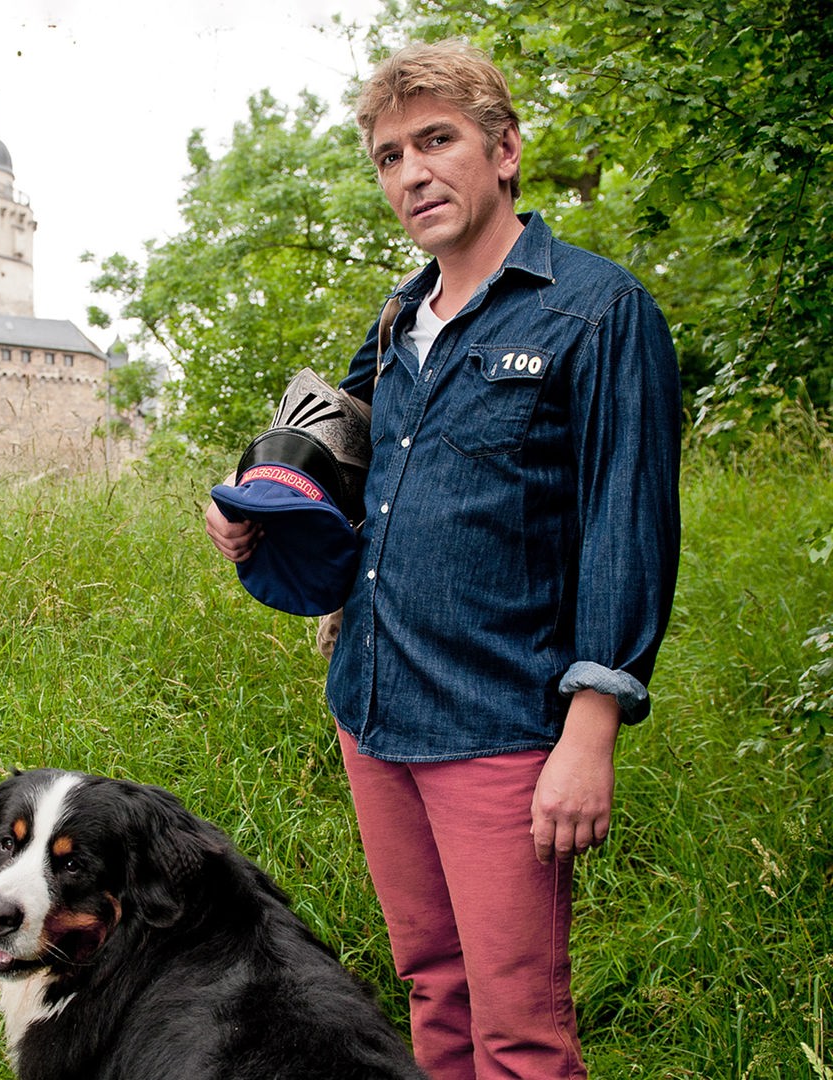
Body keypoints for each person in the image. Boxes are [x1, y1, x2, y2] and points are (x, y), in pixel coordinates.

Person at [204, 39, 681, 1080]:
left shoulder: (596, 312)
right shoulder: (393, 326)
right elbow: (341, 503)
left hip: (501, 727)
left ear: (503, 150)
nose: (411, 172)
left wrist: (589, 729)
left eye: (437, 140)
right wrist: (259, 523)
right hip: (374, 710)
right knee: (433, 985)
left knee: (519, 1025)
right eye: (388, 155)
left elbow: (625, 525)